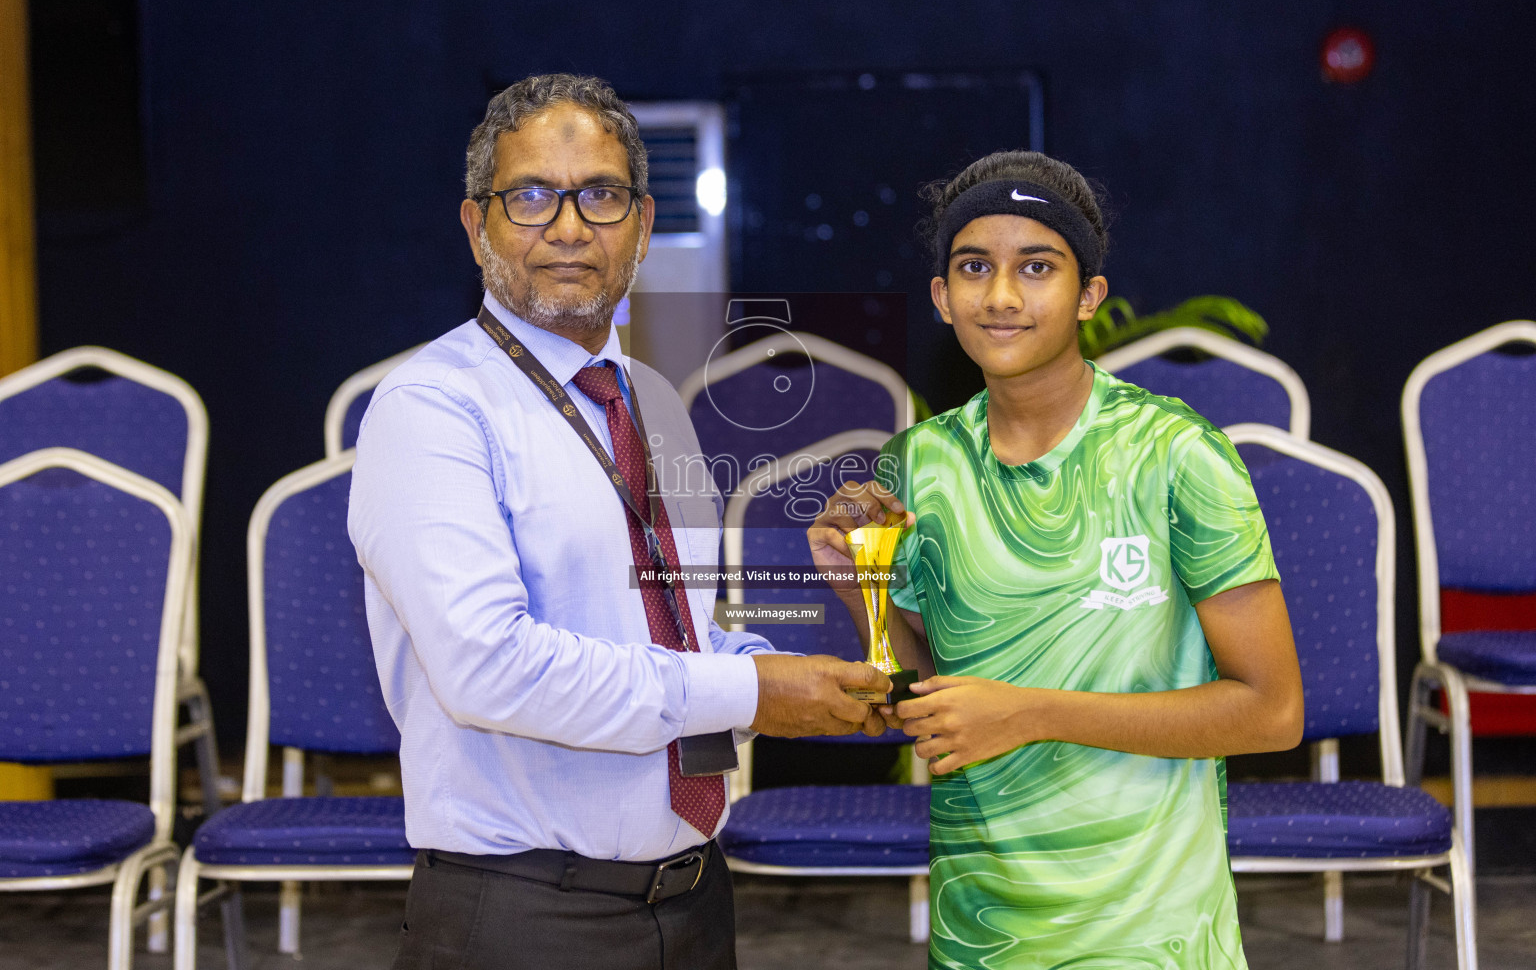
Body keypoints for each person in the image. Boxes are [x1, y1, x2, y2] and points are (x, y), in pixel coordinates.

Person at [349, 73, 890, 970]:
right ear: (476, 226)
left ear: (641, 227)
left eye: (599, 196)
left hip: (692, 901)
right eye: (531, 197)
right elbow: (490, 669)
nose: (568, 228)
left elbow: (681, 631)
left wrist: (788, 674)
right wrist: (754, 694)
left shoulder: (653, 403)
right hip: (522, 914)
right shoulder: (431, 409)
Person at [807, 150, 1304, 968]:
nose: (1001, 295)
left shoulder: (1179, 455)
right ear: (942, 297)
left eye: (1037, 267)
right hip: (984, 931)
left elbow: (1272, 711)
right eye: (974, 268)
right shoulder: (918, 466)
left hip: (1154, 935)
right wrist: (858, 587)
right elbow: (927, 693)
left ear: (1088, 297)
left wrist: (1033, 712)